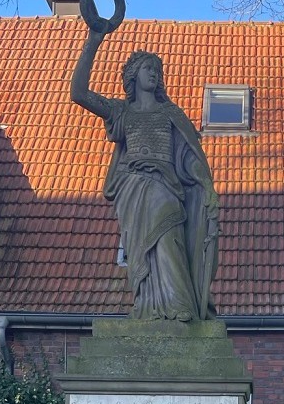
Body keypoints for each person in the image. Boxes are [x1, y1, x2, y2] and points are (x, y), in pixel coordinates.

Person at [71, 19, 219, 322]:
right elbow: (79, 93)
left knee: (169, 239)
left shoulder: (170, 113)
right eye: (148, 68)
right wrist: (93, 40)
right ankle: (148, 308)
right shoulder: (121, 112)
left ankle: (180, 307)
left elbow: (188, 155)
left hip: (165, 186)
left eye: (157, 70)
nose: (154, 73)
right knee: (140, 251)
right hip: (133, 189)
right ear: (133, 75)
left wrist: (206, 186)